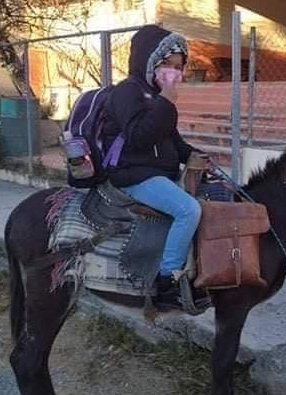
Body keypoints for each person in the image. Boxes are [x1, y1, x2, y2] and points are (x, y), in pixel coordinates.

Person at [102, 25, 205, 310]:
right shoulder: (127, 92)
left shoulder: (157, 97)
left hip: (157, 174)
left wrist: (196, 155)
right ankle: (166, 279)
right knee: (189, 209)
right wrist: (166, 102)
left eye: (179, 67)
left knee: (211, 198)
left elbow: (173, 141)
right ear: (150, 61)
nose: (175, 72)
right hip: (133, 174)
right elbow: (138, 136)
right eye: (167, 65)